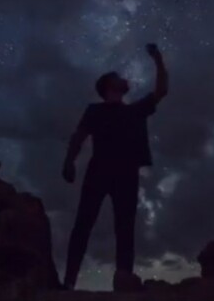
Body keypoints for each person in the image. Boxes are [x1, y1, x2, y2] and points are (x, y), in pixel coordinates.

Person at [61, 43, 168, 292]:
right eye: (119, 78)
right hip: (99, 170)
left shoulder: (134, 111)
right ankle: (68, 282)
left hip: (126, 174)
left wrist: (159, 60)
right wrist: (68, 161)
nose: (125, 79)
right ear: (110, 86)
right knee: (83, 225)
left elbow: (162, 90)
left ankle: (124, 283)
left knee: (125, 229)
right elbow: (79, 135)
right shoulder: (95, 110)